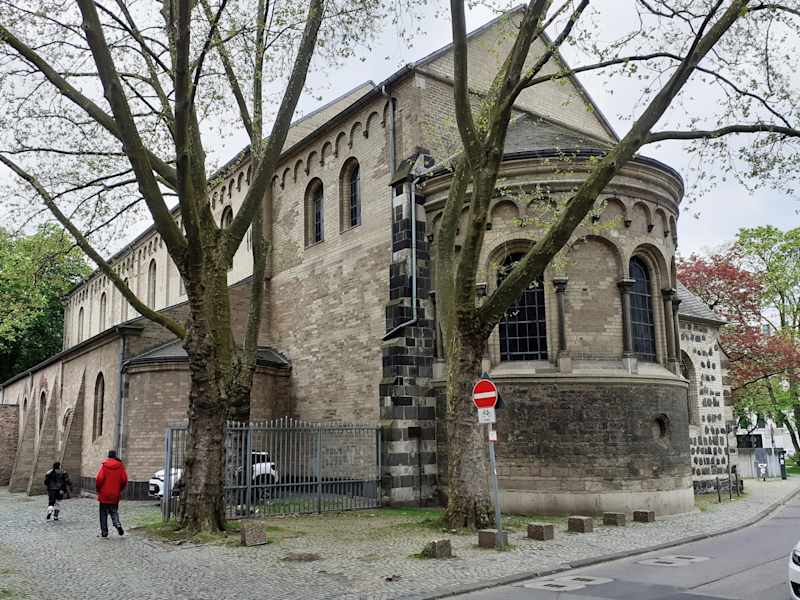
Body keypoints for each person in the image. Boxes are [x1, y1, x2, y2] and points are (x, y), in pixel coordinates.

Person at [95, 450, 128, 538]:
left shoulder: (104, 465)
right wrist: (119, 489)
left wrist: (98, 489)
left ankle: (104, 532)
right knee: (114, 511)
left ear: (108, 456)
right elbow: (124, 480)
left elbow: (99, 479)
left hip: (104, 494)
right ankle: (117, 524)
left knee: (103, 514)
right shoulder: (120, 466)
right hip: (115, 493)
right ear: (115, 456)